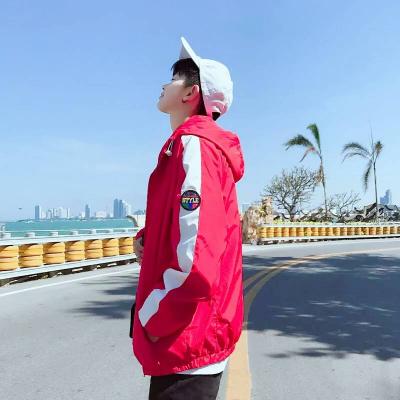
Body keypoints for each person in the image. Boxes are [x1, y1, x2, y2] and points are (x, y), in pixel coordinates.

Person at [132, 36, 245, 400]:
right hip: (191, 339)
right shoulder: (189, 145)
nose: (164, 84)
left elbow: (198, 258)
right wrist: (149, 239)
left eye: (174, 78)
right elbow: (190, 224)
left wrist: (154, 314)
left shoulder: (196, 146)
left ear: (191, 93)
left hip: (188, 340)